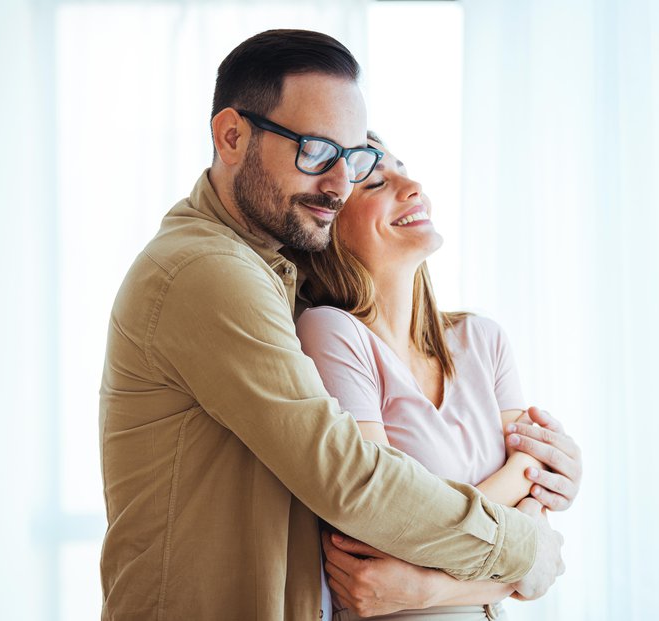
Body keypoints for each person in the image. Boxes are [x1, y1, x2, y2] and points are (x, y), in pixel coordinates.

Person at [99, 29, 579, 621]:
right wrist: (518, 547)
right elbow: (352, 480)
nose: (339, 184)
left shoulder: (274, 272)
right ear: (231, 136)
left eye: (352, 159)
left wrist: (552, 473)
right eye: (316, 151)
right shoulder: (209, 271)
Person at [295, 136, 582, 620]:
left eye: (404, 169)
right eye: (378, 183)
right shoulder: (331, 332)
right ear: (332, 228)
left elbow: (539, 543)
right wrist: (514, 552)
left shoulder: (483, 339)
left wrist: (425, 588)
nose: (413, 186)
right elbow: (381, 520)